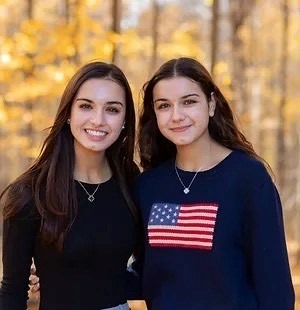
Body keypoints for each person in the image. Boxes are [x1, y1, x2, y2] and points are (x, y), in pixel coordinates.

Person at [135, 57, 295, 309]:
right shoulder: (148, 186)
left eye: (188, 102)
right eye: (164, 106)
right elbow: (145, 274)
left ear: (211, 104)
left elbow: (275, 289)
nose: (176, 116)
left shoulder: (248, 178)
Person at [0, 61, 142, 310]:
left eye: (112, 109)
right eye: (86, 106)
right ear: (68, 113)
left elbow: (141, 273)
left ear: (124, 120)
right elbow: (12, 292)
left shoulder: (132, 182)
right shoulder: (29, 193)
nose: (98, 120)